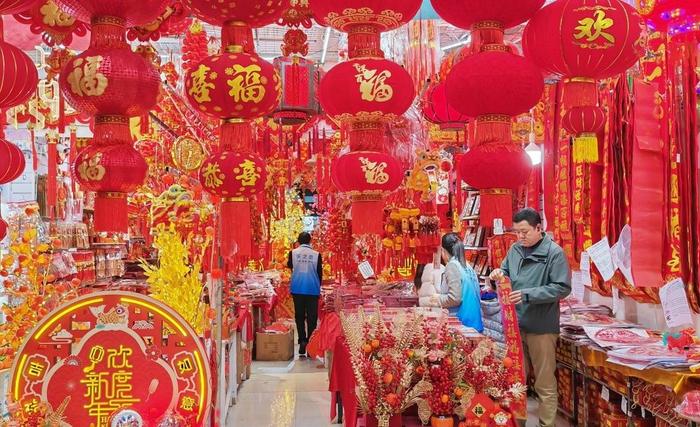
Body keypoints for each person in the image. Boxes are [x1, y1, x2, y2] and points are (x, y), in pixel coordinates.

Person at [490, 208, 571, 427]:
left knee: (544, 382)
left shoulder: (554, 253)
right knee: (516, 380)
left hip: (541, 327)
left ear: (538, 228)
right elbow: (505, 273)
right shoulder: (515, 250)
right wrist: (498, 274)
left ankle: (547, 424)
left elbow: (562, 288)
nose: (520, 237)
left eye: (524, 232)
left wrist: (528, 295)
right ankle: (518, 423)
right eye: (517, 232)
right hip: (515, 327)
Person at [424, 233, 483, 332]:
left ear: (443, 251)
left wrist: (438, 298)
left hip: (463, 323)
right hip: (474, 322)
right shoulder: (466, 265)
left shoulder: (452, 266)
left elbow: (455, 298)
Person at [287, 232, 322, 356]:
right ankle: (311, 344)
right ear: (310, 241)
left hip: (297, 288)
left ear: (298, 241)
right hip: (312, 289)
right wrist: (318, 286)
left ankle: (302, 340)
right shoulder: (316, 255)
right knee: (312, 317)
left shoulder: (293, 253)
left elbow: (290, 265)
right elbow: (319, 273)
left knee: (300, 316)